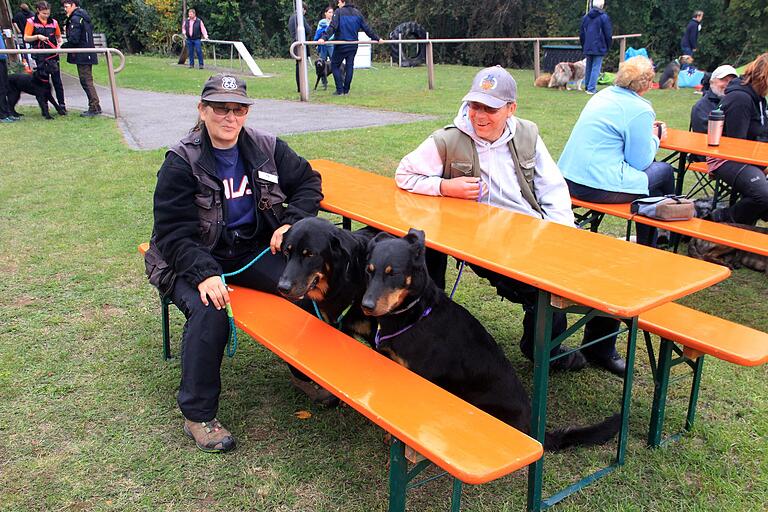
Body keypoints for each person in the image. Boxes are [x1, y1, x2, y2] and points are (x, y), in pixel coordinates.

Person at [396, 66, 626, 376]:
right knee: (545, 291)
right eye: (475, 105)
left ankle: (599, 348)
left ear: (510, 109)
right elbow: (404, 174)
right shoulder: (448, 139)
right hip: (481, 243)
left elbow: (553, 189)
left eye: (490, 108)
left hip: (531, 232)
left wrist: (563, 239)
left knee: (606, 266)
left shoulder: (528, 134)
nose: (479, 115)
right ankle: (546, 352)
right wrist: (443, 186)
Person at [144, 74, 324, 452]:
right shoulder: (181, 161)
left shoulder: (266, 147)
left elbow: (308, 181)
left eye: (238, 108)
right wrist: (205, 273)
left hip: (249, 251)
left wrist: (292, 220)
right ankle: (199, 414)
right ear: (202, 109)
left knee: (302, 288)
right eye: (220, 108)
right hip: (186, 259)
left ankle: (305, 373)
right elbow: (174, 233)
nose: (230, 116)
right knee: (210, 312)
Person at [558, 56, 675, 247]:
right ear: (647, 84)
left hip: (568, 178)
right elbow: (640, 162)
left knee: (650, 186)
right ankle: (665, 236)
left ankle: (653, 240)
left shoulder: (602, 95)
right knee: (664, 171)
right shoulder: (640, 109)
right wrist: (655, 137)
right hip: (595, 186)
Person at [706, 53, 768, 226]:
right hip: (725, 158)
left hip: (751, 158)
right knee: (763, 196)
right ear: (764, 77)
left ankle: (742, 233)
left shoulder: (760, 100)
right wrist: (762, 166)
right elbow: (736, 144)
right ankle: (721, 218)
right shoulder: (740, 99)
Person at [318, 0, 381, 96]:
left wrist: (323, 38)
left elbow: (332, 27)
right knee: (349, 66)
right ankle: (346, 90)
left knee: (334, 65)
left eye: (338, 2)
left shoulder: (339, 12)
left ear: (342, 1)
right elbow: (367, 28)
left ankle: (340, 90)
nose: (338, 4)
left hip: (341, 44)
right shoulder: (357, 13)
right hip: (353, 45)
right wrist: (377, 38)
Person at [24, 1, 65, 113]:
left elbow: (59, 37)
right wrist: (37, 36)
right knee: (42, 82)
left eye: (48, 13)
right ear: (38, 10)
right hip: (40, 56)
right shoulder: (31, 22)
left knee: (57, 81)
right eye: (44, 13)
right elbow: (26, 38)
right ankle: (45, 109)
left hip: (53, 55)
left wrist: (60, 44)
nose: (46, 15)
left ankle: (62, 105)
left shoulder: (54, 22)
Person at [61, 0, 100, 117]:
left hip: (83, 54)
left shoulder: (76, 19)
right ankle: (95, 106)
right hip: (87, 53)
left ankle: (94, 107)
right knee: (87, 81)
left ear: (73, 5)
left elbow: (74, 39)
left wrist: (63, 46)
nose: (65, 9)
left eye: (66, 6)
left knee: (86, 81)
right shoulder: (82, 17)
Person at [690, 64, 738, 133]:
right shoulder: (701, 107)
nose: (728, 84)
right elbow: (706, 135)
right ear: (711, 82)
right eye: (723, 80)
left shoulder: (739, 103)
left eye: (732, 81)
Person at [579, 0, 612, 95]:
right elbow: (608, 33)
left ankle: (587, 86)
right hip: (599, 45)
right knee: (596, 67)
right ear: (602, 5)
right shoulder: (604, 17)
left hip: (588, 45)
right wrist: (608, 45)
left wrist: (583, 44)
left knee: (589, 66)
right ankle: (591, 88)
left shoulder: (586, 17)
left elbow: (582, 33)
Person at [288, 2, 312, 93]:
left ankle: (299, 86)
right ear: (303, 9)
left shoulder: (291, 17)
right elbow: (309, 30)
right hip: (300, 44)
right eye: (305, 11)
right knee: (301, 66)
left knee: (298, 65)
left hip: (294, 43)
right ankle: (302, 86)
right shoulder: (300, 18)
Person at [0, 31, 18, 123]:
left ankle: (7, 113)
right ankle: (2, 115)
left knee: (5, 87)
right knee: (1, 89)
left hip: (2, 59)